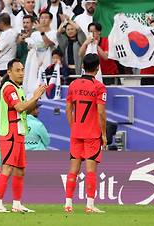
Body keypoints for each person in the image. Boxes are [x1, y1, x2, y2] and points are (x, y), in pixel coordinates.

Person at [0, 59, 47, 213]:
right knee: (8, 168)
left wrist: (36, 98)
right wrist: (35, 96)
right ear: (9, 72)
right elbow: (20, 107)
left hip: (19, 133)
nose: (21, 73)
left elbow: (25, 110)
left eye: (22, 69)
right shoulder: (9, 88)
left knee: (20, 170)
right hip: (10, 133)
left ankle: (16, 204)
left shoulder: (18, 89)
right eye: (17, 70)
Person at [63, 53, 107, 213]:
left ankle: (68, 203)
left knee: (73, 169)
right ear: (97, 68)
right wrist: (103, 134)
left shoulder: (73, 85)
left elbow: (68, 108)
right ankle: (89, 205)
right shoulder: (99, 87)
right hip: (92, 134)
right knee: (90, 170)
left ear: (82, 66)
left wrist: (73, 126)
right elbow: (101, 112)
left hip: (76, 132)